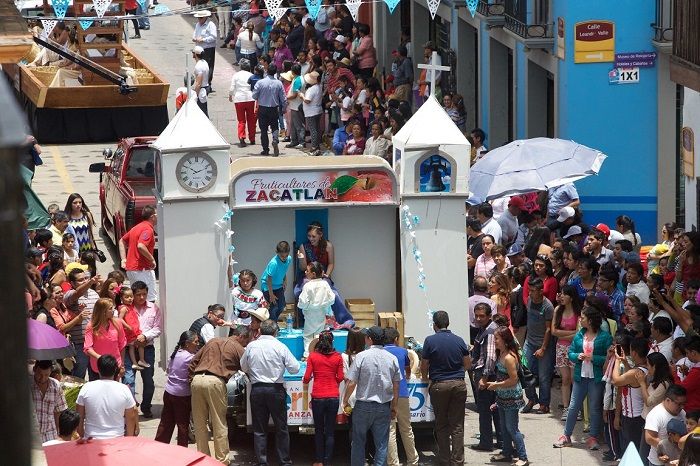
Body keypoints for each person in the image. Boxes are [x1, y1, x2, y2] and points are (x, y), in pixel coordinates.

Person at [241, 319, 300, 466]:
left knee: (259, 429)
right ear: (275, 332)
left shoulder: (251, 346)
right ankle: (284, 461)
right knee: (281, 427)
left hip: (257, 390)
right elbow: (295, 368)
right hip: (275, 390)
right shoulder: (280, 347)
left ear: (260, 331)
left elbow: (243, 367)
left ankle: (262, 462)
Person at [189, 325, 251, 464]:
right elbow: (247, 369)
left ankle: (203, 459)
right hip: (216, 381)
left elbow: (193, 362)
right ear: (241, 336)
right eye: (246, 342)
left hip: (197, 379)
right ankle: (222, 461)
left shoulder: (212, 341)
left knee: (200, 424)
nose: (245, 345)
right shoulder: (238, 348)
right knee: (219, 423)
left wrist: (191, 380)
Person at [554, 307, 613, 450]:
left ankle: (593, 437)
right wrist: (577, 356)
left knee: (594, 408)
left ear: (591, 320)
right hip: (580, 376)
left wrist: (594, 358)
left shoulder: (605, 337)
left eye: (583, 317)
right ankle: (566, 435)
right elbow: (571, 353)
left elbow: (609, 358)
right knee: (573, 407)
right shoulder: (579, 335)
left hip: (596, 378)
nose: (580, 319)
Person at [342, 326, 400, 466]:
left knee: (358, 442)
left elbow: (351, 383)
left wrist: (344, 401)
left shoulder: (362, 356)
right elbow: (396, 385)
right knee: (381, 444)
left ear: (370, 339)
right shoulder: (392, 358)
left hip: (362, 406)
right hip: (383, 406)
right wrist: (394, 406)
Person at [421, 311, 471, 465]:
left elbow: (424, 365)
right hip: (458, 384)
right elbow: (468, 364)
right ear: (448, 323)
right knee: (457, 425)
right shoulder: (459, 340)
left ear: (434, 325)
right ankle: (458, 460)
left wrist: (426, 379)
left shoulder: (430, 340)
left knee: (441, 424)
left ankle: (444, 459)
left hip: (439, 385)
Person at [295, 221, 353, 327]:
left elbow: (331, 263)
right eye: (309, 236)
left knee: (334, 294)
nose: (310, 239)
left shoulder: (329, 246)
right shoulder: (303, 247)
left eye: (313, 236)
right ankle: (306, 321)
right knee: (300, 292)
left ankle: (345, 320)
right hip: (307, 276)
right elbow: (303, 268)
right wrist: (302, 259)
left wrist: (327, 274)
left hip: (322, 276)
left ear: (320, 235)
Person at [486, 327, 529, 466]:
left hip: (512, 397)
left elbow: (513, 380)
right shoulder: (502, 353)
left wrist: (496, 385)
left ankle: (523, 457)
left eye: (497, 338)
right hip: (502, 397)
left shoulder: (510, 357)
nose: (495, 341)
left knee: (512, 428)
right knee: (504, 427)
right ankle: (506, 453)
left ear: (505, 340)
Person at [303, 330, 344, 466]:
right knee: (330, 430)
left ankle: (319, 460)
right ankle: (328, 460)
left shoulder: (313, 357)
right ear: (332, 342)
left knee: (319, 430)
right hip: (333, 396)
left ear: (319, 342)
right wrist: (333, 383)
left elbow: (307, 377)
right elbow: (340, 377)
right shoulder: (338, 357)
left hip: (318, 397)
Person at [122, 280, 162, 418]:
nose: (141, 297)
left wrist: (144, 336)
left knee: (148, 381)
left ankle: (146, 407)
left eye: (144, 294)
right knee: (128, 379)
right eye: (138, 294)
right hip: (129, 349)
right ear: (132, 295)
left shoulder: (154, 308)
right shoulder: (125, 308)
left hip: (147, 348)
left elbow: (158, 328)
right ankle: (131, 407)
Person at [155, 330, 199, 447]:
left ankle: (159, 447)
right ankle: (181, 452)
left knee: (165, 423)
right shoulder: (190, 358)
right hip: (182, 396)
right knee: (182, 425)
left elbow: (169, 371)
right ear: (187, 343)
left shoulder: (176, 354)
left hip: (169, 393)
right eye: (196, 342)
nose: (198, 344)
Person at [76, 355, 137, 439]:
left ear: (98, 369)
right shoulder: (124, 389)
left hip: (91, 440)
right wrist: (129, 440)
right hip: (117, 441)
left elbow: (79, 416)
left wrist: (81, 436)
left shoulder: (86, 387)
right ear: (115, 370)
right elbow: (131, 417)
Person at [382, 327, 419, 465]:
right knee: (406, 428)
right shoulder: (403, 351)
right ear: (396, 339)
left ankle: (393, 462)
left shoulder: (380, 352)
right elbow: (408, 372)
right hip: (402, 393)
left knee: (390, 430)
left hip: (386, 395)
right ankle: (413, 460)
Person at [470, 302, 501, 453]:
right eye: (476, 315)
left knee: (485, 411)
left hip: (487, 375)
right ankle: (501, 440)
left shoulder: (489, 332)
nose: (478, 318)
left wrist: (484, 378)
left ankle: (486, 442)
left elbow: (490, 357)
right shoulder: (485, 329)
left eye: (482, 316)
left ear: (489, 316)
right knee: (495, 409)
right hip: (490, 375)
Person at [521, 277, 555, 414]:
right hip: (529, 342)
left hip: (543, 344)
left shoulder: (548, 306)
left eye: (533, 291)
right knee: (524, 371)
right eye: (529, 290)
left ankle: (544, 404)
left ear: (541, 291)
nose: (530, 293)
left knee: (543, 376)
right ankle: (531, 398)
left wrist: (543, 348)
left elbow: (548, 329)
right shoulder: (529, 300)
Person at [611, 336, 650, 451]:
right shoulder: (644, 369)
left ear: (634, 352)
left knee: (631, 450)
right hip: (637, 417)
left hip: (633, 418)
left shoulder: (635, 372)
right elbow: (630, 376)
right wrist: (624, 361)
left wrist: (617, 361)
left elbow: (616, 381)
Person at [62, 267, 101, 379]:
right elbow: (78, 293)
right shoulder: (69, 294)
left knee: (96, 376)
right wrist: (91, 282)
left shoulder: (94, 294)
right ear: (72, 283)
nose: (84, 281)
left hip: (94, 342)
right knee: (78, 377)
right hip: (79, 344)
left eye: (85, 278)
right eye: (80, 280)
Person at [551, 285, 582, 420]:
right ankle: (566, 407)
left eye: (565, 294)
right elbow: (553, 331)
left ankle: (577, 408)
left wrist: (561, 335)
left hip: (575, 349)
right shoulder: (558, 310)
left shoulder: (578, 312)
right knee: (565, 379)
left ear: (572, 297)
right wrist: (570, 334)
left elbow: (579, 333)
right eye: (561, 293)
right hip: (561, 349)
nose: (561, 296)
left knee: (575, 379)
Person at [118, 205, 157, 302]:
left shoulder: (136, 228)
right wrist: (152, 259)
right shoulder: (148, 229)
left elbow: (122, 241)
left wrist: (123, 259)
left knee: (137, 298)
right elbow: (141, 246)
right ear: (153, 216)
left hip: (132, 269)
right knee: (148, 299)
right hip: (141, 270)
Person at [83, 298, 126, 381]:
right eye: (110, 308)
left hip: (115, 366)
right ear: (103, 311)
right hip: (97, 367)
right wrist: (100, 358)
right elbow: (87, 347)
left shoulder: (117, 323)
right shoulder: (91, 326)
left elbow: (122, 344)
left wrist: (122, 364)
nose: (113, 310)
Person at [298, 261, 335, 356]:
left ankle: (307, 355)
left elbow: (302, 302)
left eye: (307, 271)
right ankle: (320, 353)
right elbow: (332, 298)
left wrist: (307, 306)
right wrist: (324, 304)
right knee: (320, 333)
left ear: (313, 274)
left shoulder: (308, 286)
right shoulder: (325, 284)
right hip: (321, 312)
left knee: (308, 335)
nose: (305, 272)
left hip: (310, 313)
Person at [645, 385, 688, 466]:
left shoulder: (682, 412)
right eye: (679, 404)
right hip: (659, 463)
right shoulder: (656, 414)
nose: (682, 407)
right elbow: (649, 438)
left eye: (684, 404)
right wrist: (668, 450)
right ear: (668, 400)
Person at [253, 64, 288, 156]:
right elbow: (283, 98)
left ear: (267, 71)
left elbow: (254, 95)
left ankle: (266, 149)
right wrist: (284, 108)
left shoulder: (260, 83)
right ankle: (275, 140)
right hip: (274, 108)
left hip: (263, 108)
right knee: (275, 127)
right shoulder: (279, 83)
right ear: (275, 72)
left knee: (263, 130)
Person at [31, 360, 68, 443]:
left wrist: (58, 434)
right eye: (39, 375)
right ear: (34, 370)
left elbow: (58, 412)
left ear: (51, 372)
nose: (42, 378)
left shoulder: (56, 385)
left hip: (50, 434)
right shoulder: (27, 384)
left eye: (46, 375)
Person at [116, 286, 148, 371]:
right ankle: (138, 361)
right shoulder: (123, 308)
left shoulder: (130, 306)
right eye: (127, 297)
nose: (130, 299)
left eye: (131, 296)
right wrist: (127, 326)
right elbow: (119, 319)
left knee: (134, 346)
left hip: (134, 330)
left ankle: (137, 362)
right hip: (130, 331)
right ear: (121, 298)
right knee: (135, 345)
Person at [229, 58, 256, 148]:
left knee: (241, 120)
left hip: (239, 99)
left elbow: (232, 88)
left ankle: (241, 136)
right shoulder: (252, 75)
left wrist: (230, 95)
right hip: (250, 98)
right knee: (251, 119)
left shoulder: (236, 75)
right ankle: (252, 138)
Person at [299, 70, 323, 156]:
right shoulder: (319, 87)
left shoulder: (312, 89)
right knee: (316, 129)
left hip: (311, 112)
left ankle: (314, 147)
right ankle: (317, 146)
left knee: (313, 130)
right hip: (317, 110)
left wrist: (301, 96)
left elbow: (307, 100)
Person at [192, 10, 217, 93]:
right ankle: (200, 82)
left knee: (208, 66)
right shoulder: (197, 25)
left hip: (208, 48)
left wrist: (203, 40)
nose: (199, 19)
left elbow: (213, 37)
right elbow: (195, 34)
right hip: (199, 48)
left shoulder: (211, 25)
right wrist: (195, 38)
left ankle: (208, 84)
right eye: (198, 18)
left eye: (201, 18)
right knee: (200, 66)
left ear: (205, 17)